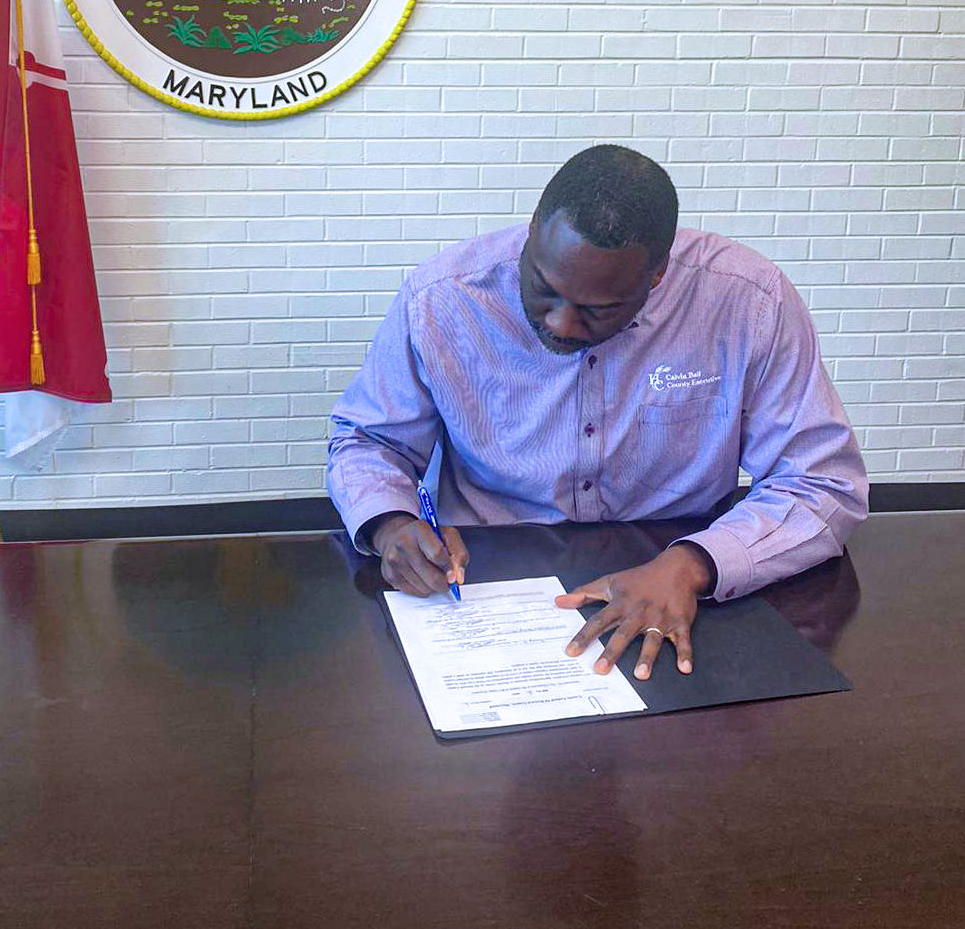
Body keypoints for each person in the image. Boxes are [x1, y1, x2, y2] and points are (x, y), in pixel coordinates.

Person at [328, 145, 868, 682]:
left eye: (599, 309)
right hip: (481, 577)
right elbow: (369, 440)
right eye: (543, 289)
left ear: (657, 276)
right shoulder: (441, 298)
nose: (561, 324)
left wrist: (694, 563)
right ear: (533, 231)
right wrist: (390, 524)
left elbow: (822, 482)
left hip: (679, 578)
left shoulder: (749, 301)